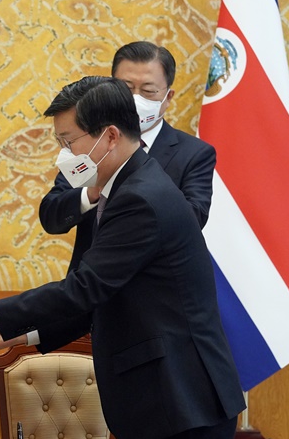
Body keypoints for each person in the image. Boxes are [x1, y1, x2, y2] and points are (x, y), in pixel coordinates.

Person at [0, 76, 244, 439]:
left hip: (181, 402)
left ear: (110, 136)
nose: (64, 155)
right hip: (167, 404)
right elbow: (103, 297)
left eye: (69, 142)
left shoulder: (141, 199)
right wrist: (20, 336)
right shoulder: (129, 188)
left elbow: (85, 288)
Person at [38, 41, 215, 279]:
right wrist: (92, 192)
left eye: (148, 91)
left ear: (168, 96)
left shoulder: (194, 153)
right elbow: (52, 217)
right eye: (126, 88)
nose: (134, 99)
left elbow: (191, 220)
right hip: (86, 292)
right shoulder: (87, 145)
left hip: (147, 295)